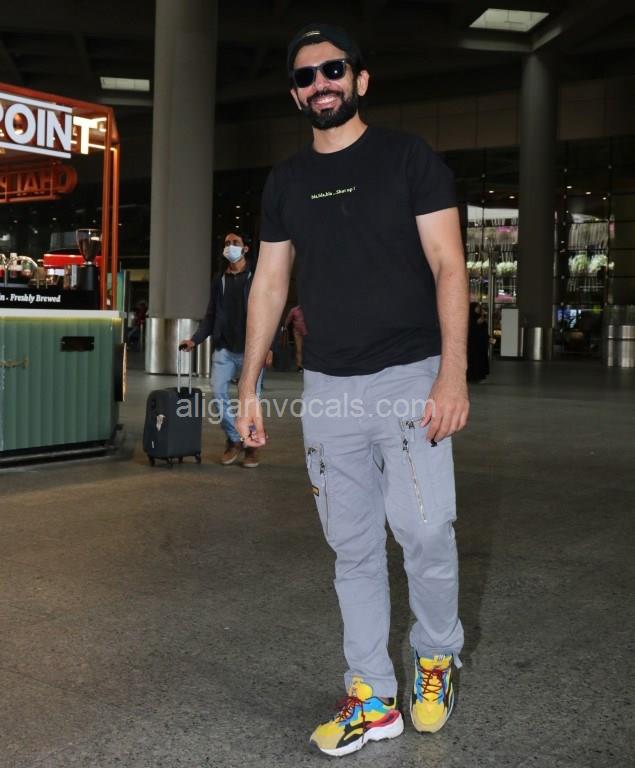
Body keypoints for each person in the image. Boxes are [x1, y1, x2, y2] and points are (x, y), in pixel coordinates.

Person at [236, 24, 469, 757]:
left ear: (360, 80)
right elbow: (269, 284)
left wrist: (452, 373)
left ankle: (436, 655)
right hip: (328, 388)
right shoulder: (285, 181)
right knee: (353, 547)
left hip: (409, 375)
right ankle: (371, 695)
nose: (321, 84)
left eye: (333, 70)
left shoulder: (408, 158)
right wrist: (247, 384)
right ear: (295, 94)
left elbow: (450, 266)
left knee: (425, 532)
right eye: (305, 76)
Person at [180, 232, 271, 468]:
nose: (230, 246)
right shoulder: (219, 280)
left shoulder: (255, 276)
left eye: (235, 243)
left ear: (246, 248)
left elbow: (268, 313)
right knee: (218, 392)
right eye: (227, 243)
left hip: (252, 350)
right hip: (224, 348)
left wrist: (268, 347)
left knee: (251, 398)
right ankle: (235, 439)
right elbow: (211, 314)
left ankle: (251, 446)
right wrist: (195, 340)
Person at [467, 302, 490, 382]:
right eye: (477, 307)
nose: (478, 309)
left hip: (480, 342)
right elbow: (476, 324)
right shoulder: (471, 317)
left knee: (480, 360)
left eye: (479, 307)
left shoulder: (478, 316)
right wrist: (482, 316)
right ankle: (473, 377)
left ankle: (479, 376)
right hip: (474, 343)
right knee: (474, 360)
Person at [284, 304, 307, 371]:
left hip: (307, 333)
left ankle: (307, 366)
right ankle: (299, 366)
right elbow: (288, 318)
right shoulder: (294, 310)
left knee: (307, 350)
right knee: (299, 349)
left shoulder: (308, 309)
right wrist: (285, 326)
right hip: (297, 332)